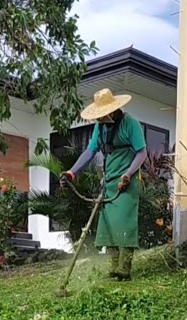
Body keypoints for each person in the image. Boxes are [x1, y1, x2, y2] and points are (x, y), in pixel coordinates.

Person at [61, 88, 148, 281]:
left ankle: (124, 268)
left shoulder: (130, 124)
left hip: (127, 180)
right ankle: (113, 265)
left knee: (124, 221)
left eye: (102, 115)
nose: (99, 119)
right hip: (109, 181)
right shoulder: (99, 127)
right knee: (108, 224)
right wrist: (72, 173)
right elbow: (90, 151)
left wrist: (127, 174)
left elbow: (142, 153)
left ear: (113, 110)